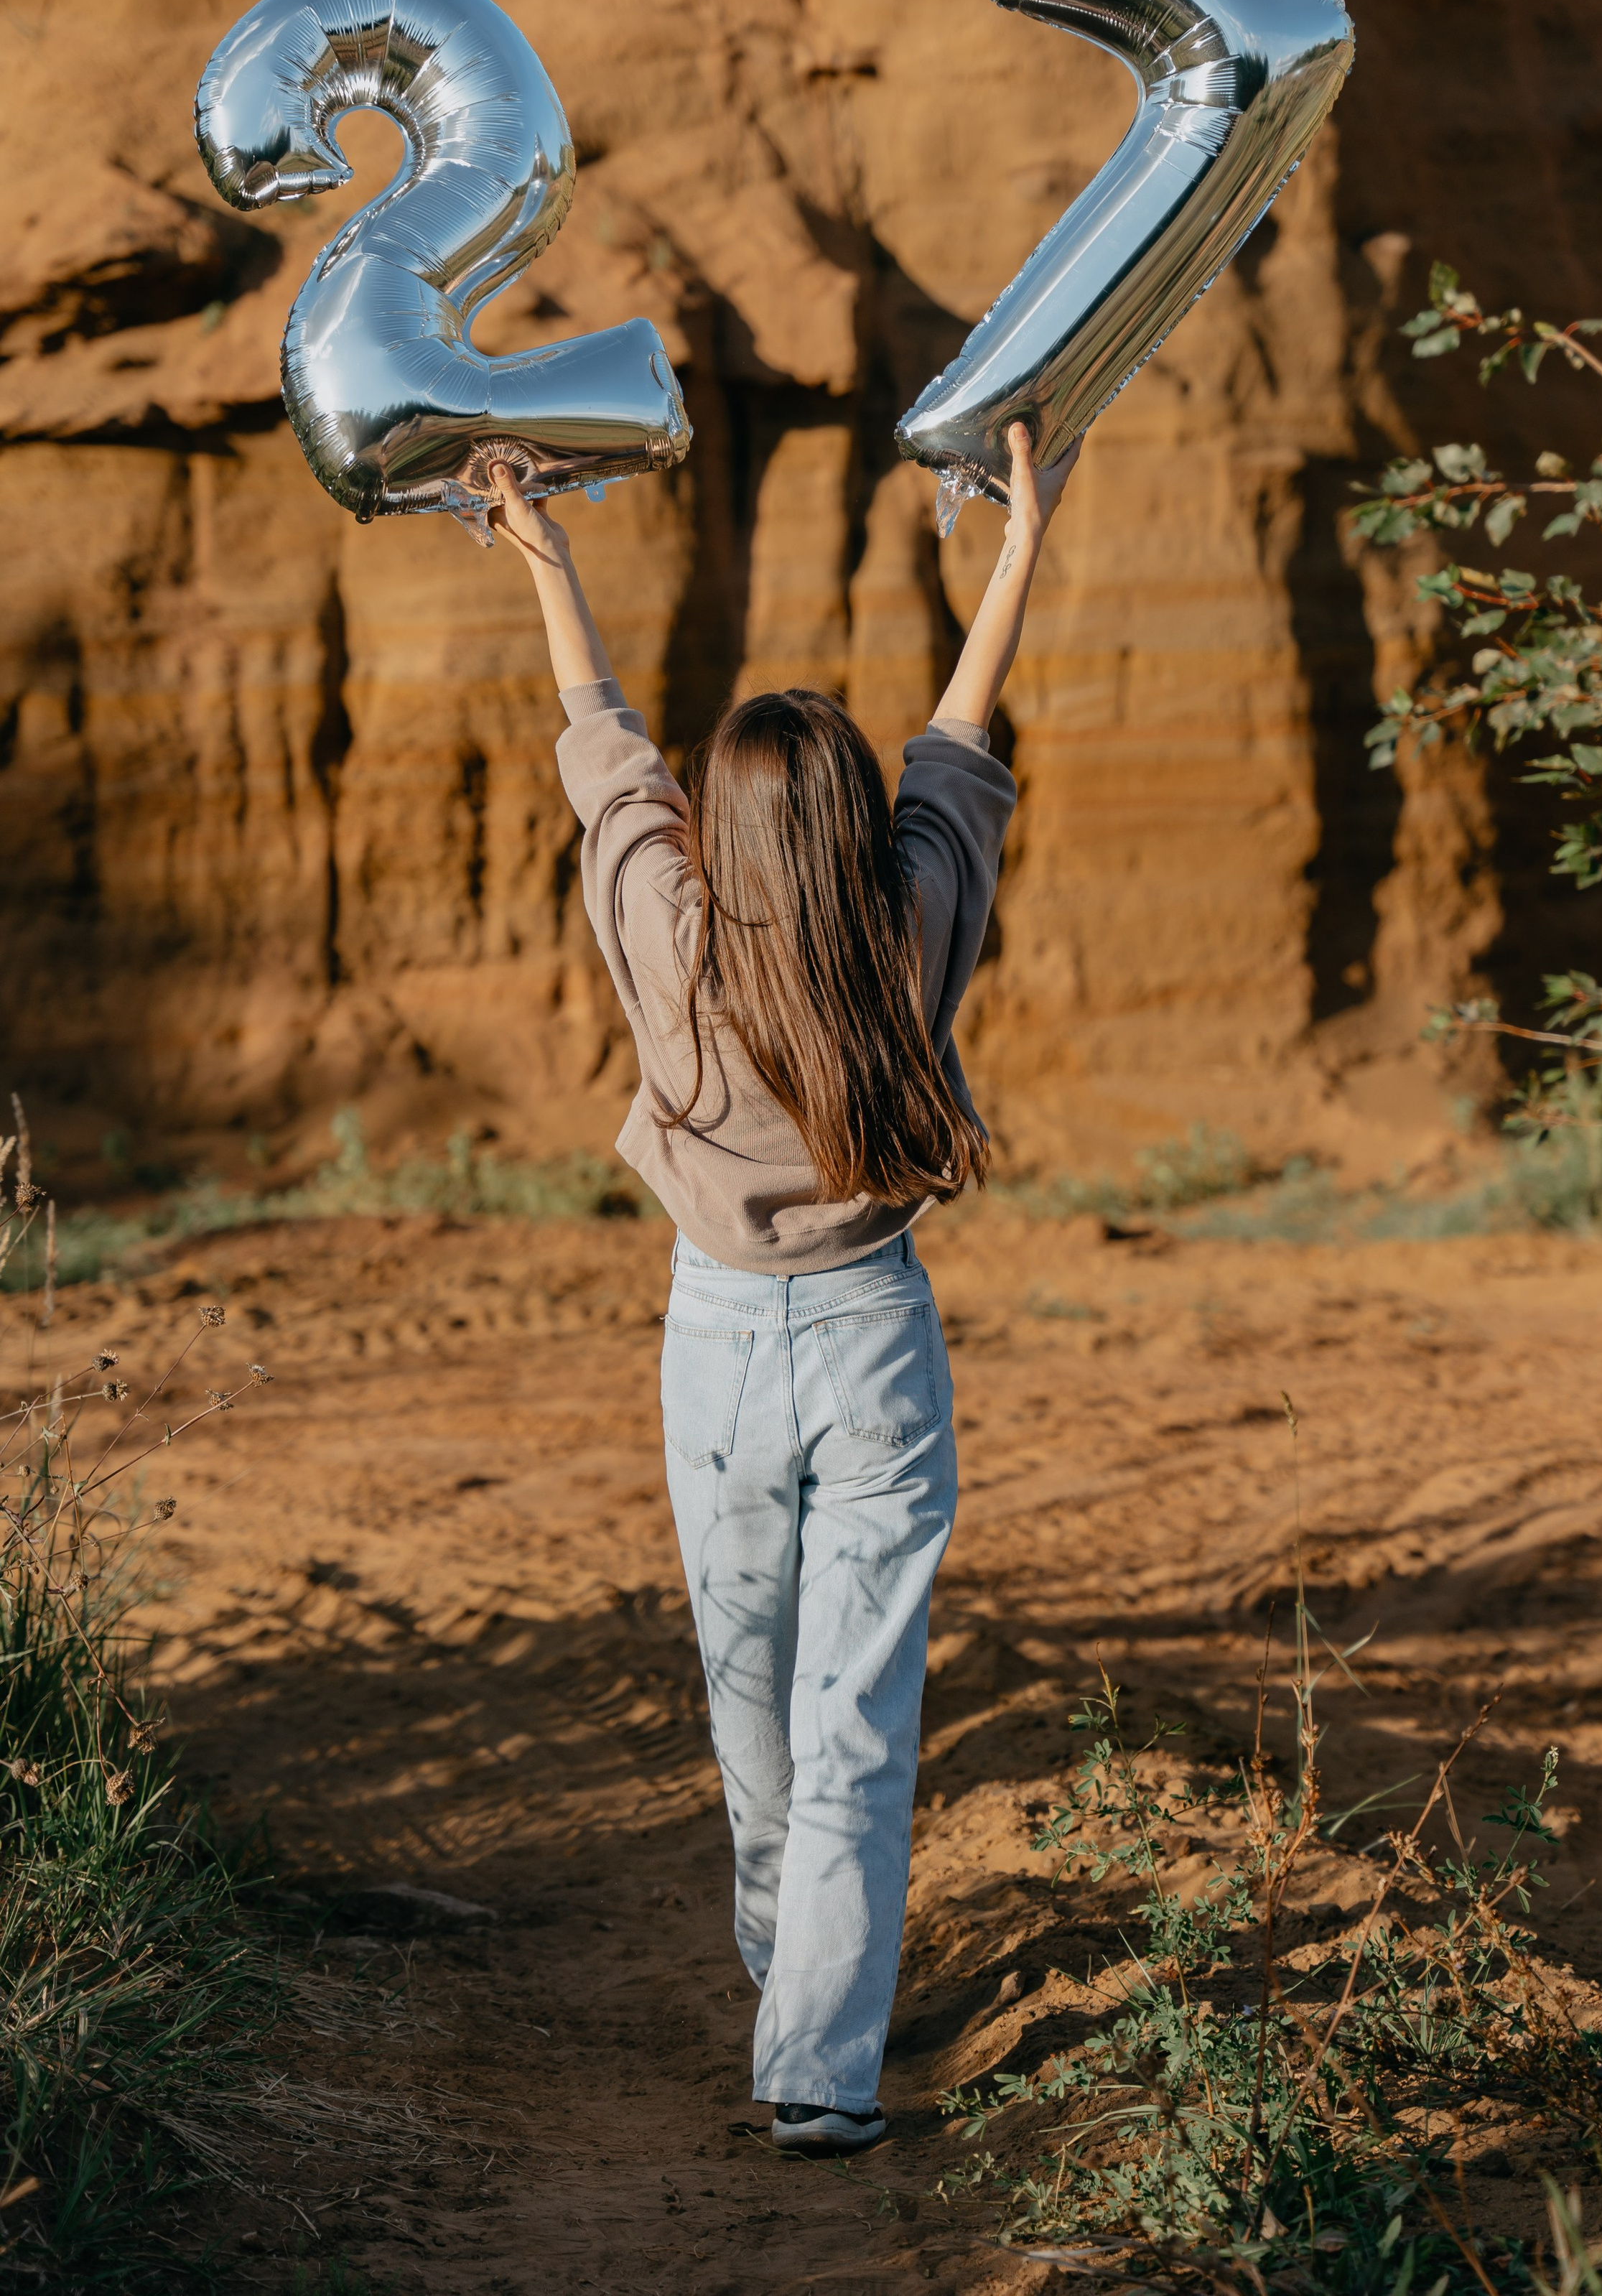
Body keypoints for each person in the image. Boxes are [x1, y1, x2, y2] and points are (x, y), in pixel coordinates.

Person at [485, 419, 1081, 2155]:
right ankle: (815, 2055)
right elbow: (961, 737)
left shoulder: (668, 934)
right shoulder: (905, 926)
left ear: (723, 830)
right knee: (854, 1720)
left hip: (720, 1350)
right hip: (878, 1342)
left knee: (750, 1699)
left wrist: (541, 540)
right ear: (845, 827)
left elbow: (602, 754)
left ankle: (791, 1979)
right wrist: (1022, 539)